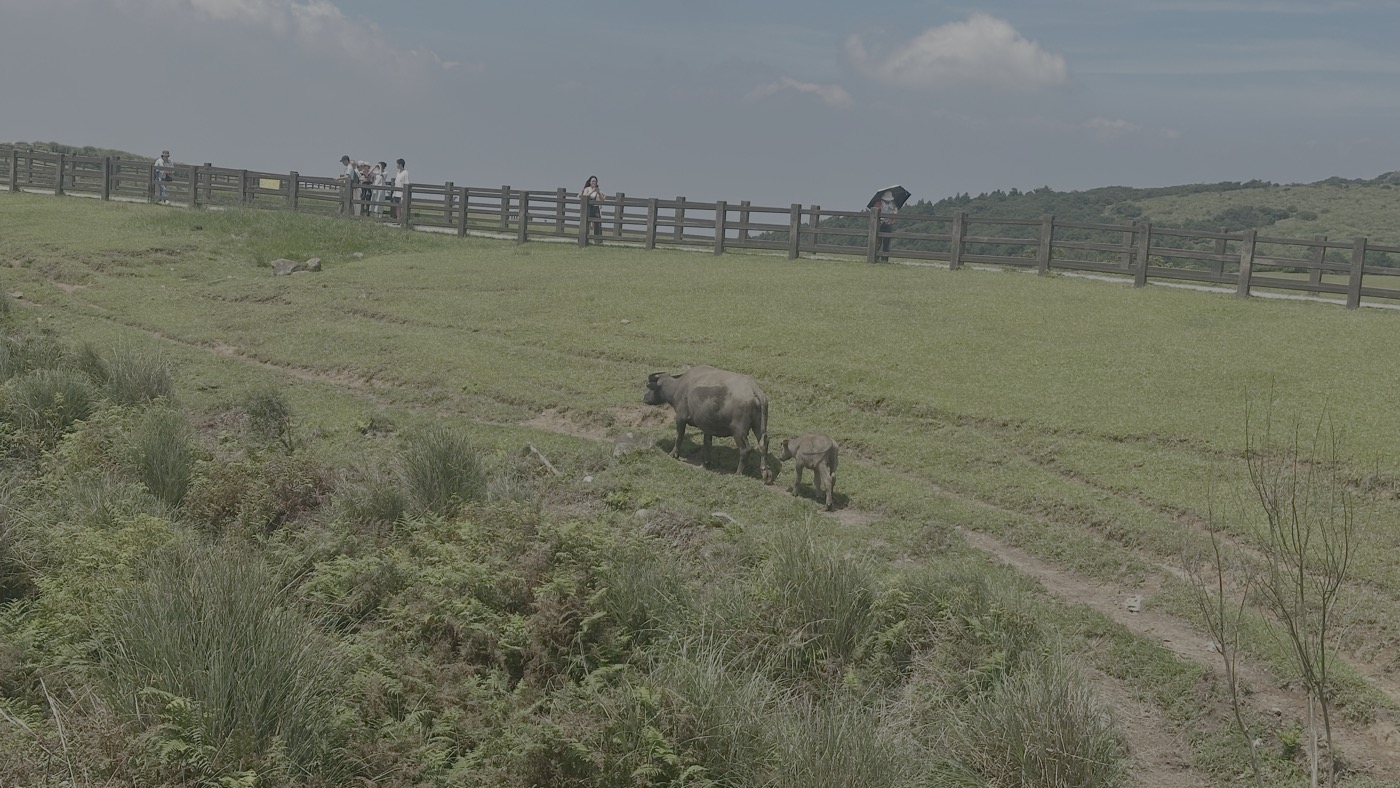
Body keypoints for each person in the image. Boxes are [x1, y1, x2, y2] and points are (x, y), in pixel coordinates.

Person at [876, 190, 898, 261]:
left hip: (888, 224)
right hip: (879, 224)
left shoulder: (893, 206)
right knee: (878, 242)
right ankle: (876, 257)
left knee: (887, 243)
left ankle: (885, 259)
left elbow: (894, 218)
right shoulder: (879, 204)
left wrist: (893, 217)